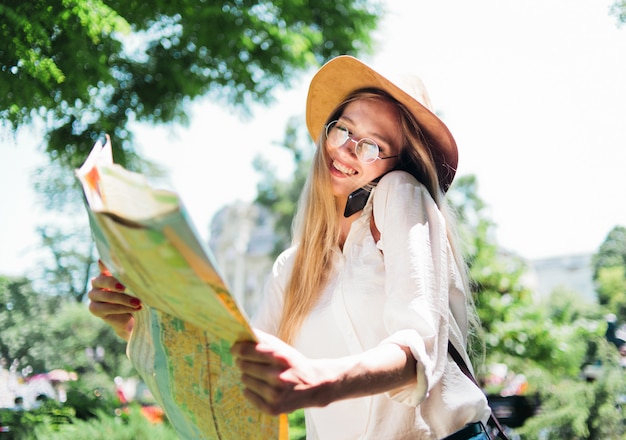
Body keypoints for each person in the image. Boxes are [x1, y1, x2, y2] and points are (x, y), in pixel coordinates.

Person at [89, 55, 491, 439]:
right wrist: (136, 321)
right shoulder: (292, 267)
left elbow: (417, 347)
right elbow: (234, 379)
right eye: (344, 129)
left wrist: (319, 381)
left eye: (372, 145)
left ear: (400, 161)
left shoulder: (398, 192)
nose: (348, 149)